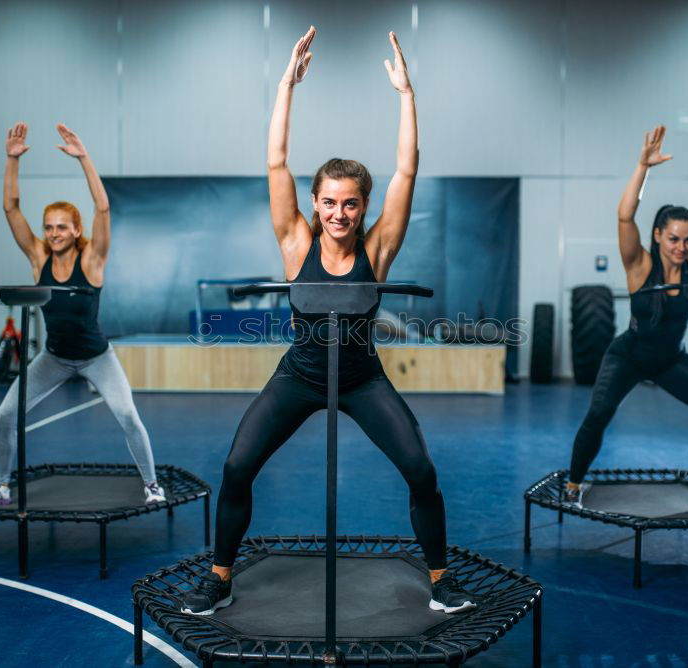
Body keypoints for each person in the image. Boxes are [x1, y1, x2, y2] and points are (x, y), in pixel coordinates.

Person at [180, 27, 476, 616]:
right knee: (238, 466)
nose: (339, 213)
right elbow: (276, 160)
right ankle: (219, 577)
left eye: (351, 203)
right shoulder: (295, 243)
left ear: (364, 206)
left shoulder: (380, 248)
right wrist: (286, 85)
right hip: (301, 375)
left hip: (363, 378)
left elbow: (407, 170)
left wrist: (406, 96)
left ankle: (442, 581)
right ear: (314, 204)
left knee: (420, 469)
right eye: (329, 202)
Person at [565, 125, 688, 513]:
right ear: (657, 236)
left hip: (671, 360)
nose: (682, 247)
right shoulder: (639, 265)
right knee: (599, 413)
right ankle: (573, 484)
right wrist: (643, 166)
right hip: (629, 355)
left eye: (687, 239)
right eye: (674, 238)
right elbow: (624, 215)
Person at [0, 122, 165, 505]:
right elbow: (10, 208)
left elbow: (103, 207)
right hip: (54, 358)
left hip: (97, 358)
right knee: (5, 415)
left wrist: (84, 159)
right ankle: (0, 486)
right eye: (49, 227)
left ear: (77, 230)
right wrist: (12, 161)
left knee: (128, 417)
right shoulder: (38, 256)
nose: (54, 233)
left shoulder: (92, 260)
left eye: (62, 227)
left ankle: (152, 486)